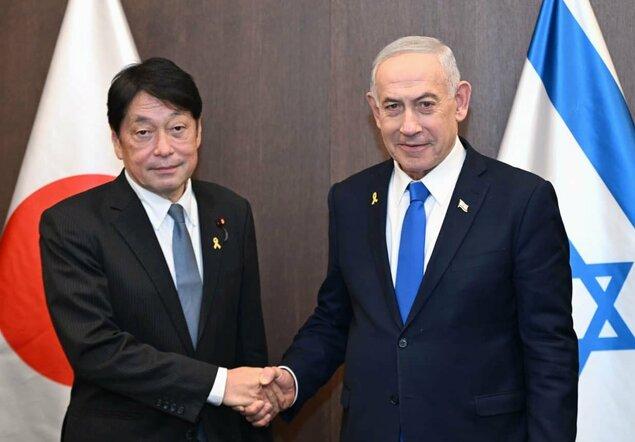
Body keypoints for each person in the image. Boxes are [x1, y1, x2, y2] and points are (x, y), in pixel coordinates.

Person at [244, 36, 579, 441]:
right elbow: (336, 317)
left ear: (459, 101)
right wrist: (293, 377)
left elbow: (549, 349)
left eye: (425, 104)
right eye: (392, 107)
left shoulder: (521, 200)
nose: (409, 126)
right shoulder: (350, 200)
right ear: (374, 110)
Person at [40, 58, 276, 442]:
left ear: (198, 132)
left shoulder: (232, 211)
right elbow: (95, 348)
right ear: (117, 142)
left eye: (178, 128)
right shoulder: (72, 224)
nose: (164, 149)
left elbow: (248, 337)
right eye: (143, 132)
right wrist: (218, 385)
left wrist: (258, 398)